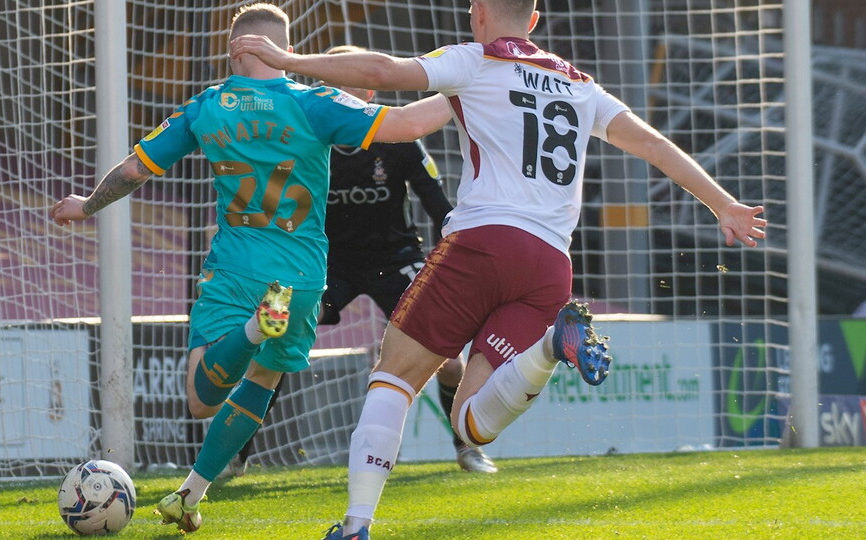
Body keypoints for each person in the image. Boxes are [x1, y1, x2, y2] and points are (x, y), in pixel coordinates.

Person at [230, 1, 768, 539]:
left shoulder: (474, 60)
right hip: (550, 267)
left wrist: (289, 60)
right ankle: (551, 347)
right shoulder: (581, 85)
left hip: (483, 244)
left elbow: (381, 71)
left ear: (478, 12)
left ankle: (355, 526)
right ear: (533, 21)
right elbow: (652, 143)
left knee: (393, 378)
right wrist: (723, 204)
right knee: (472, 423)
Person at [50, 3, 452, 534]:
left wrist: (87, 206)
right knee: (263, 377)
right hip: (302, 280)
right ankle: (190, 495)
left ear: (234, 49)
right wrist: (470, 84)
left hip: (237, 270)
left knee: (202, 399)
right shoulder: (316, 102)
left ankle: (251, 330)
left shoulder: (206, 106)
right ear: (282, 49)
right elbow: (409, 123)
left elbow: (133, 171)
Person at [227, 45, 497, 477]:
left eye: (351, 83)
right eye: (332, 84)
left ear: (370, 94)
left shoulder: (399, 138)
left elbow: (438, 205)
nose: (340, 94)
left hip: (396, 258)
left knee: (447, 359)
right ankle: (234, 454)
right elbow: (272, 208)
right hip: (320, 262)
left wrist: (463, 253)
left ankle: (466, 448)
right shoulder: (303, 139)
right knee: (272, 335)